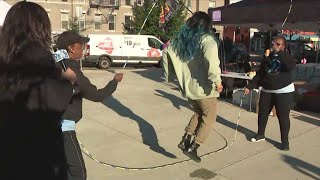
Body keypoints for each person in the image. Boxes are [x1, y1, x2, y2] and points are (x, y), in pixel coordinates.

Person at [0, 2, 77, 180]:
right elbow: (53, 101)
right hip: (37, 160)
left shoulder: (5, 59)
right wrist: (68, 81)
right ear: (41, 28)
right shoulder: (38, 58)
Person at [55, 30, 123, 180]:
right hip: (64, 128)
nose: (83, 49)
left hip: (51, 127)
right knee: (78, 173)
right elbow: (96, 95)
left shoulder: (56, 63)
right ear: (71, 48)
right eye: (80, 46)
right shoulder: (71, 69)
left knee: (60, 170)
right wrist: (114, 82)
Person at [162, 11, 223, 163]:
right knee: (209, 118)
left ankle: (185, 139)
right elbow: (213, 64)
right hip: (205, 88)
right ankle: (193, 146)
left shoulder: (181, 41)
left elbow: (165, 51)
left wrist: (170, 77)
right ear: (207, 25)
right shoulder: (208, 40)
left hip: (189, 89)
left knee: (198, 113)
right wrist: (217, 81)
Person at [244, 35, 296, 151]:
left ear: (283, 46)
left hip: (284, 91)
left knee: (283, 117)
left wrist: (280, 54)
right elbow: (260, 74)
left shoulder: (286, 57)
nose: (275, 46)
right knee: (263, 113)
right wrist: (250, 86)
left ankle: (285, 141)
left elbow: (290, 66)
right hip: (267, 89)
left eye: (278, 44)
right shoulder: (268, 57)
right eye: (274, 43)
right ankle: (260, 134)